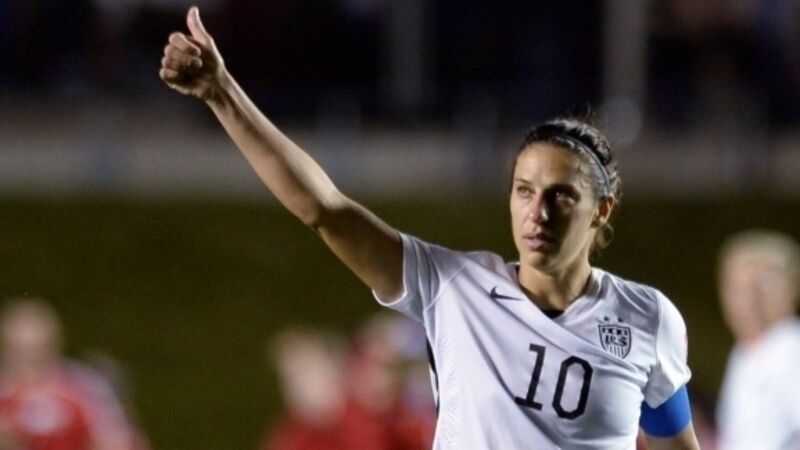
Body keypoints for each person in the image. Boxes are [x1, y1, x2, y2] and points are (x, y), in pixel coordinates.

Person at [159, 7, 700, 449]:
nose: (537, 212)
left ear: (602, 210)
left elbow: (676, 444)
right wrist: (221, 93)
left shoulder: (647, 318)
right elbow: (324, 208)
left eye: (561, 196)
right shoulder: (454, 287)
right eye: (524, 191)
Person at [0, 298, 144, 450]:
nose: (28, 361)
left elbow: (119, 440)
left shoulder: (84, 385)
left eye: (38, 349)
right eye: (18, 350)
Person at [716, 230, 800, 450]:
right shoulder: (745, 353)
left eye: (762, 287)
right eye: (737, 290)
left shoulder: (791, 350)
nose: (748, 302)